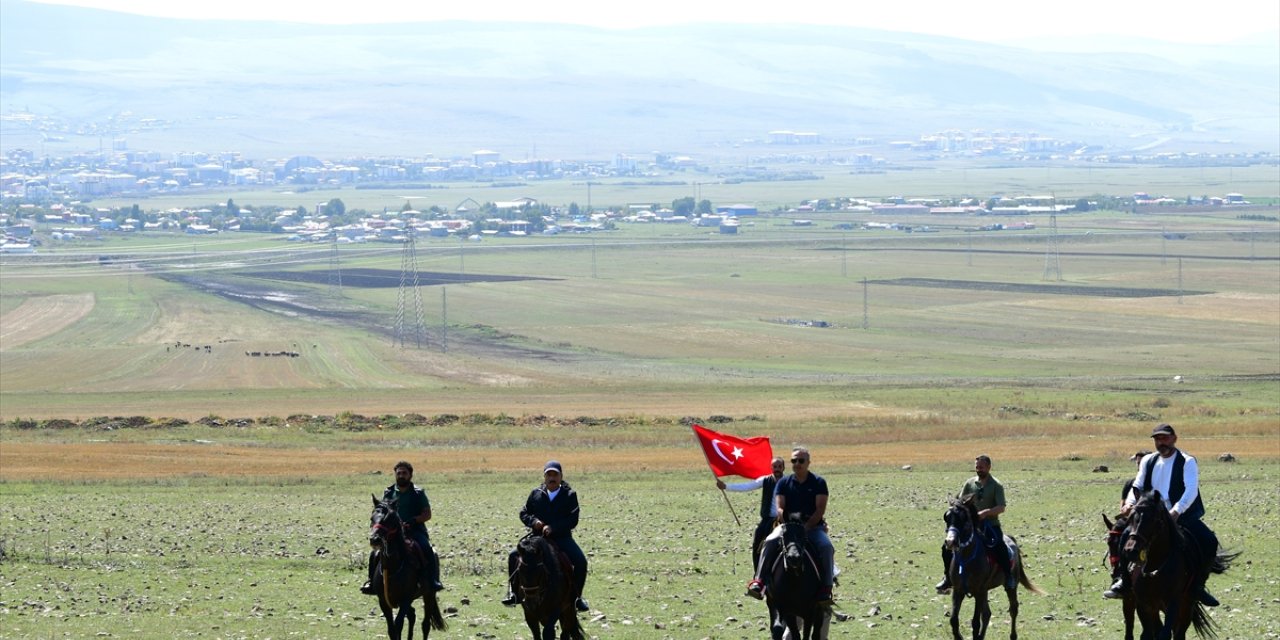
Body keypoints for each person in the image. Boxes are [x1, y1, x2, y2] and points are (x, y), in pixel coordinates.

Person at [1104, 424, 1219, 606]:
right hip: (1149, 515)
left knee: (1209, 541)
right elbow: (1138, 485)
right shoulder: (1148, 460)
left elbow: (1191, 491)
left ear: (1174, 438)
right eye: (1157, 439)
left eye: (1165, 438)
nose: (1161, 442)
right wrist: (1129, 504)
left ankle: (1198, 586)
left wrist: (1176, 511)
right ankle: (1123, 581)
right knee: (1123, 537)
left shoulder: (1187, 461)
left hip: (1179, 515)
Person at [746, 447, 836, 606]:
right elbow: (780, 507)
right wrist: (788, 524)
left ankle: (826, 588)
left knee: (826, 547)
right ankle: (759, 581)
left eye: (801, 460)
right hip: (788, 527)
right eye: (794, 460)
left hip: (812, 527)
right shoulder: (783, 483)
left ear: (808, 462)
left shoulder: (819, 483)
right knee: (769, 541)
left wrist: (806, 527)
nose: (797, 464)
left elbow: (820, 509)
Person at [501, 460, 590, 612]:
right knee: (513, 556)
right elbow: (524, 513)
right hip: (537, 539)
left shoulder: (569, 495)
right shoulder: (535, 494)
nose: (552, 478)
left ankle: (576, 598)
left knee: (581, 562)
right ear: (544, 477)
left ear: (561, 476)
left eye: (555, 474)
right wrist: (533, 521)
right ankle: (514, 593)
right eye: (549, 474)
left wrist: (553, 527)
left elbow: (572, 519)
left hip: (562, 538)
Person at [361, 460, 443, 595]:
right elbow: (383, 511)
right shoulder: (389, 492)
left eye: (404, 473)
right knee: (375, 553)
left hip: (415, 531)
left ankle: (433, 580)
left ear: (410, 475)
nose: (401, 476)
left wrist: (414, 520)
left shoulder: (418, 493)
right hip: (393, 532)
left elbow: (427, 514)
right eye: (398, 473)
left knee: (428, 550)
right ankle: (371, 582)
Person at [936, 455, 1014, 593]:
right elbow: (960, 500)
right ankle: (948, 578)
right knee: (946, 547)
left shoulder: (996, 485)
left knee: (1000, 547)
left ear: (989, 467)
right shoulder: (970, 483)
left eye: (982, 467)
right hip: (970, 526)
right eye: (977, 467)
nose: (979, 470)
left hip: (990, 524)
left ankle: (1008, 577)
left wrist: (985, 513)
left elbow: (1001, 507)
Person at [717, 456, 786, 570]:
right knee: (757, 542)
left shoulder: (789, 481)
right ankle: (757, 574)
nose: (777, 469)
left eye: (779, 466)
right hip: (768, 520)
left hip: (784, 520)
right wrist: (726, 486)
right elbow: (747, 486)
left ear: (783, 468)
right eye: (775, 466)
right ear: (771, 468)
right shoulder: (765, 480)